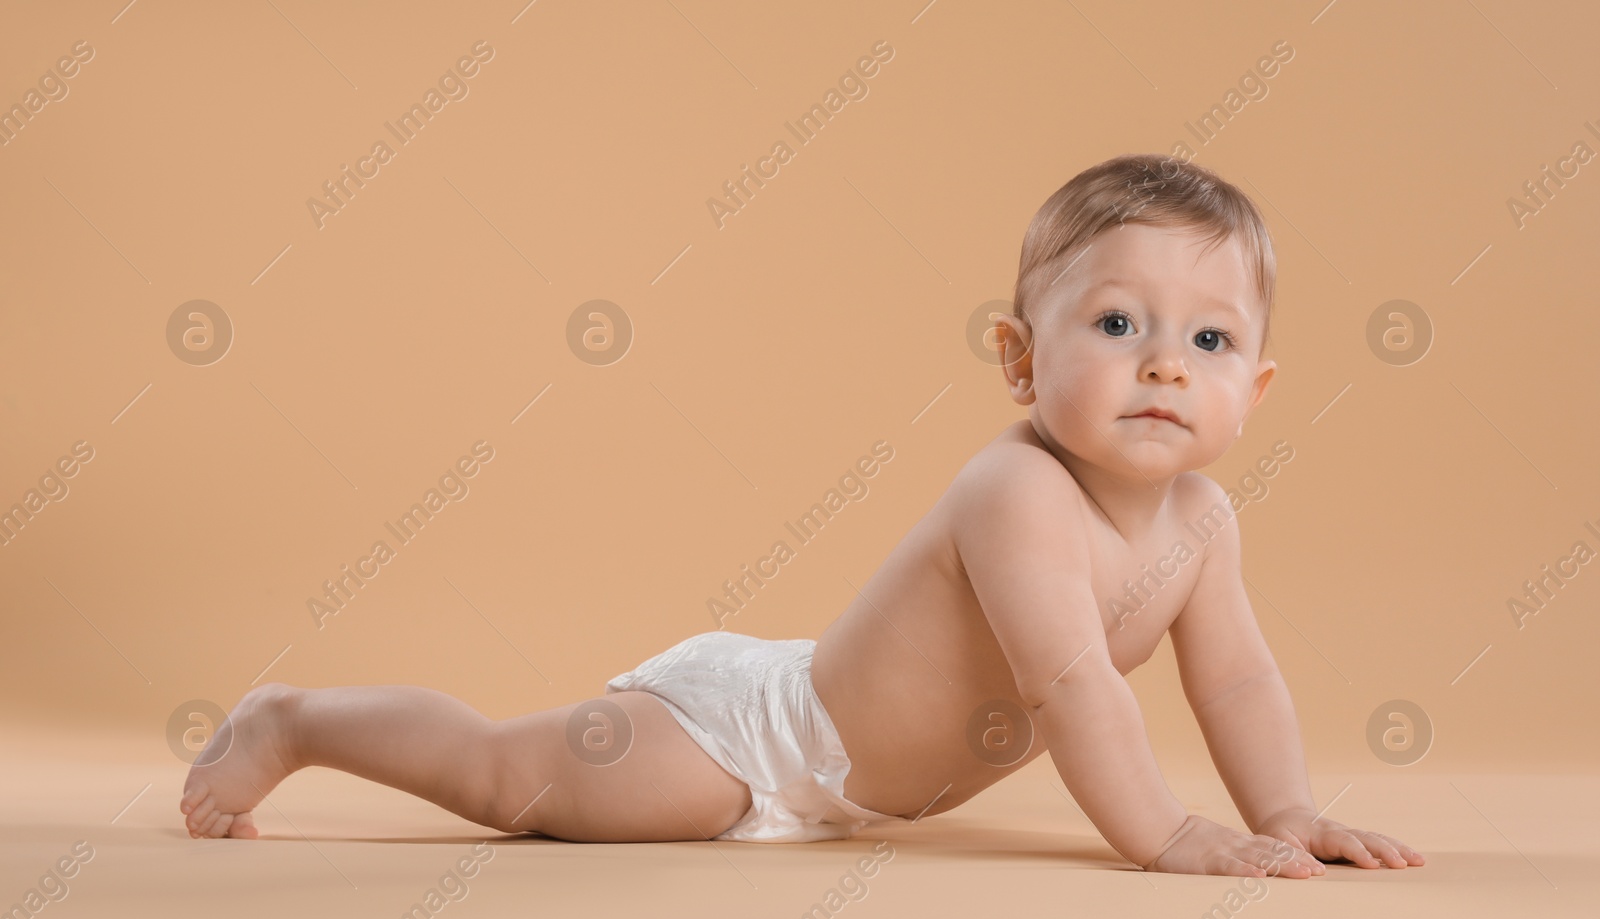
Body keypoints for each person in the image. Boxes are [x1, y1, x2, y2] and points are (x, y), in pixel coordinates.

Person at [180, 153, 1424, 878]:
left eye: (1208, 338)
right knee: (515, 779)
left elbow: (1240, 682)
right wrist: (1166, 836)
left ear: (1252, 387)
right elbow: (1073, 684)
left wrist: (1286, 816)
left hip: (853, 788)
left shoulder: (1202, 522)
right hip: (755, 740)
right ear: (1017, 358)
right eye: (1115, 323)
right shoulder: (1018, 490)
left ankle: (303, 720)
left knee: (539, 783)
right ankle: (295, 719)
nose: (1163, 362)